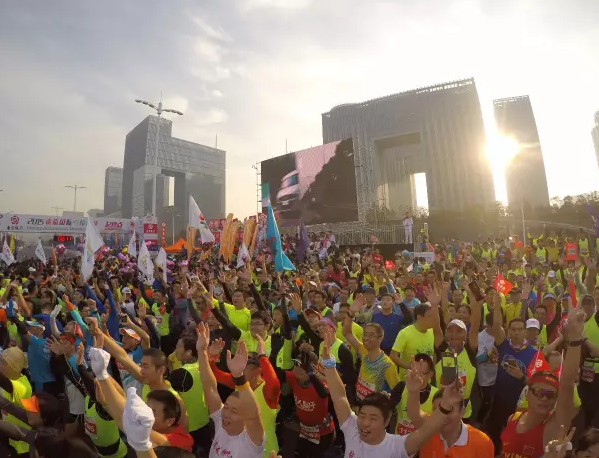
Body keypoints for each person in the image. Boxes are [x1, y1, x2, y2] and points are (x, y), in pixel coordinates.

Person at [320, 330, 465, 458]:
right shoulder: (352, 429)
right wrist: (329, 364)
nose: (365, 423)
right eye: (362, 416)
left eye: (373, 418)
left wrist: (446, 404)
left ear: (387, 421)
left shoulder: (397, 447)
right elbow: (340, 397)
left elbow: (425, 431)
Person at [500, 306, 585, 458]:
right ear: (527, 394)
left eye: (550, 395)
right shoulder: (512, 419)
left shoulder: (551, 428)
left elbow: (566, 384)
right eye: (539, 392)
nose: (544, 398)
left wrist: (575, 338)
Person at [195, 323, 266, 458]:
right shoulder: (221, 423)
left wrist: (239, 376)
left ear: (246, 417)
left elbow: (253, 416)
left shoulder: (252, 443)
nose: (226, 414)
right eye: (226, 407)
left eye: (234, 411)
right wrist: (202, 351)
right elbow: (210, 388)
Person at [406, 360, 494, 458]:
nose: (443, 415)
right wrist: (413, 391)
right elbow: (414, 413)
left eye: (449, 409)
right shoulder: (429, 429)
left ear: (462, 412)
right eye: (438, 410)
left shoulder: (482, 442)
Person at [486, 295, 537, 452]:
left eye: (520, 329)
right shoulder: (503, 345)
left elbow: (535, 384)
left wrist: (521, 376)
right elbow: (496, 326)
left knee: (514, 436)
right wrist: (497, 306)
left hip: (519, 404)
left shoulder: (534, 354)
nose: (516, 333)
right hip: (499, 399)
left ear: (525, 332)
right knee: (493, 433)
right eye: (513, 329)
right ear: (508, 331)